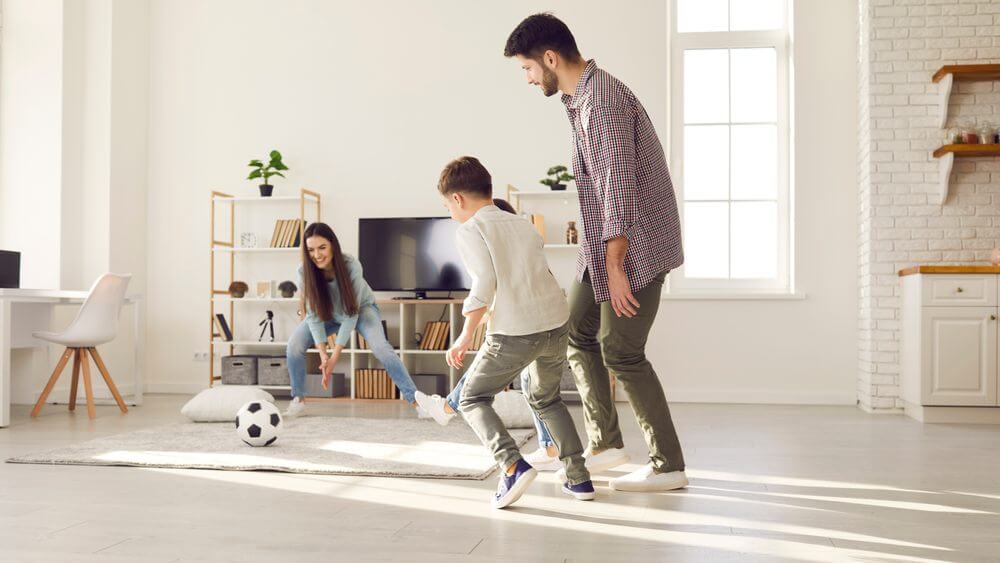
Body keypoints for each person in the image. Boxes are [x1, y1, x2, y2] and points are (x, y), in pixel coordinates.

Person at [504, 13, 688, 492]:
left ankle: (669, 466)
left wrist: (616, 264)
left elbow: (616, 186)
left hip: (635, 246)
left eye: (527, 69)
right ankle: (606, 443)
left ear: (549, 58)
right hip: (602, 247)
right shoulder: (581, 98)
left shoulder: (600, 102)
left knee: (622, 352)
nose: (527, 79)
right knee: (576, 332)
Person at [431, 156, 593, 508]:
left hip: (516, 332)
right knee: (547, 399)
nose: (450, 213)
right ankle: (579, 479)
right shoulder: (523, 224)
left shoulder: (470, 229)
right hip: (554, 323)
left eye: (447, 206)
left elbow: (484, 283)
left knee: (472, 398)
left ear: (458, 199)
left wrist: (464, 335)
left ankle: (511, 464)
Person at [417, 197, 563, 471]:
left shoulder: (480, 239)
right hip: (549, 326)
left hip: (522, 331)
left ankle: (451, 410)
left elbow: (484, 288)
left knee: (479, 392)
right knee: (535, 389)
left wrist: (463, 337)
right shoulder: (525, 246)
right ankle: (551, 449)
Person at [285, 222, 423, 418]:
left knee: (381, 348)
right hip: (326, 313)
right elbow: (313, 315)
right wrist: (323, 354)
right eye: (311, 250)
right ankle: (298, 399)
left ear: (333, 245)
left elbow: (350, 313)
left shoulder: (351, 265)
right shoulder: (303, 271)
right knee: (294, 345)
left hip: (360, 309)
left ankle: (417, 401)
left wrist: (335, 357)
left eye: (322, 248)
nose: (317, 255)